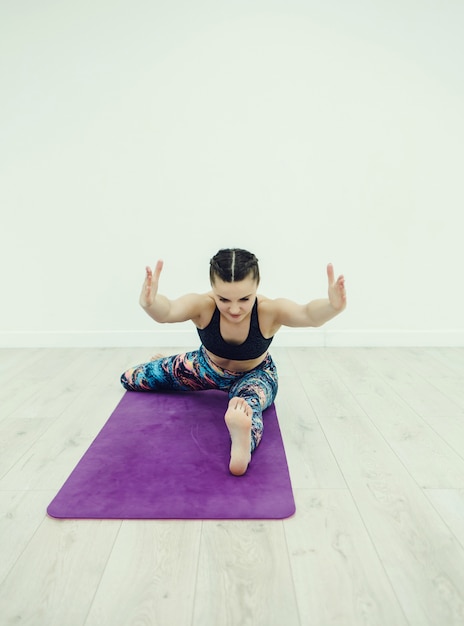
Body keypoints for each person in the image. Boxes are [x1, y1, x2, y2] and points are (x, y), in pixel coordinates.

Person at [121, 248, 346, 476]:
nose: (235, 309)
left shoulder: (269, 311)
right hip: (205, 367)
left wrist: (332, 307)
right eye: (224, 299)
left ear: (256, 287)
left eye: (245, 299)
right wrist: (150, 303)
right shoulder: (203, 305)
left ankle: (242, 446)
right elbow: (168, 311)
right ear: (213, 290)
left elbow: (307, 314)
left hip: (255, 376)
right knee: (131, 379)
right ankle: (168, 367)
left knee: (249, 407)